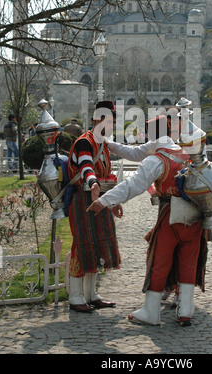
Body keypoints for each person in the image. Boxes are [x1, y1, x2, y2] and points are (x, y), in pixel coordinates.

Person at [87, 115, 209, 327]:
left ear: (154, 135)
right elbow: (134, 153)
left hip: (170, 215)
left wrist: (105, 200)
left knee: (159, 261)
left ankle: (151, 312)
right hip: (195, 217)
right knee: (188, 262)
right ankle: (186, 310)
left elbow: (133, 185)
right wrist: (109, 144)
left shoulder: (157, 160)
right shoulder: (190, 154)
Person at [67, 101, 122, 313]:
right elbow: (86, 166)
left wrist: (113, 200)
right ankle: (75, 296)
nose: (111, 127)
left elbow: (106, 175)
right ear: (96, 120)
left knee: (96, 245)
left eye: (113, 123)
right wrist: (93, 183)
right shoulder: (85, 142)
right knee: (82, 246)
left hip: (99, 199)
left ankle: (91, 294)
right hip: (84, 199)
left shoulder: (103, 144)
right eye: (108, 122)